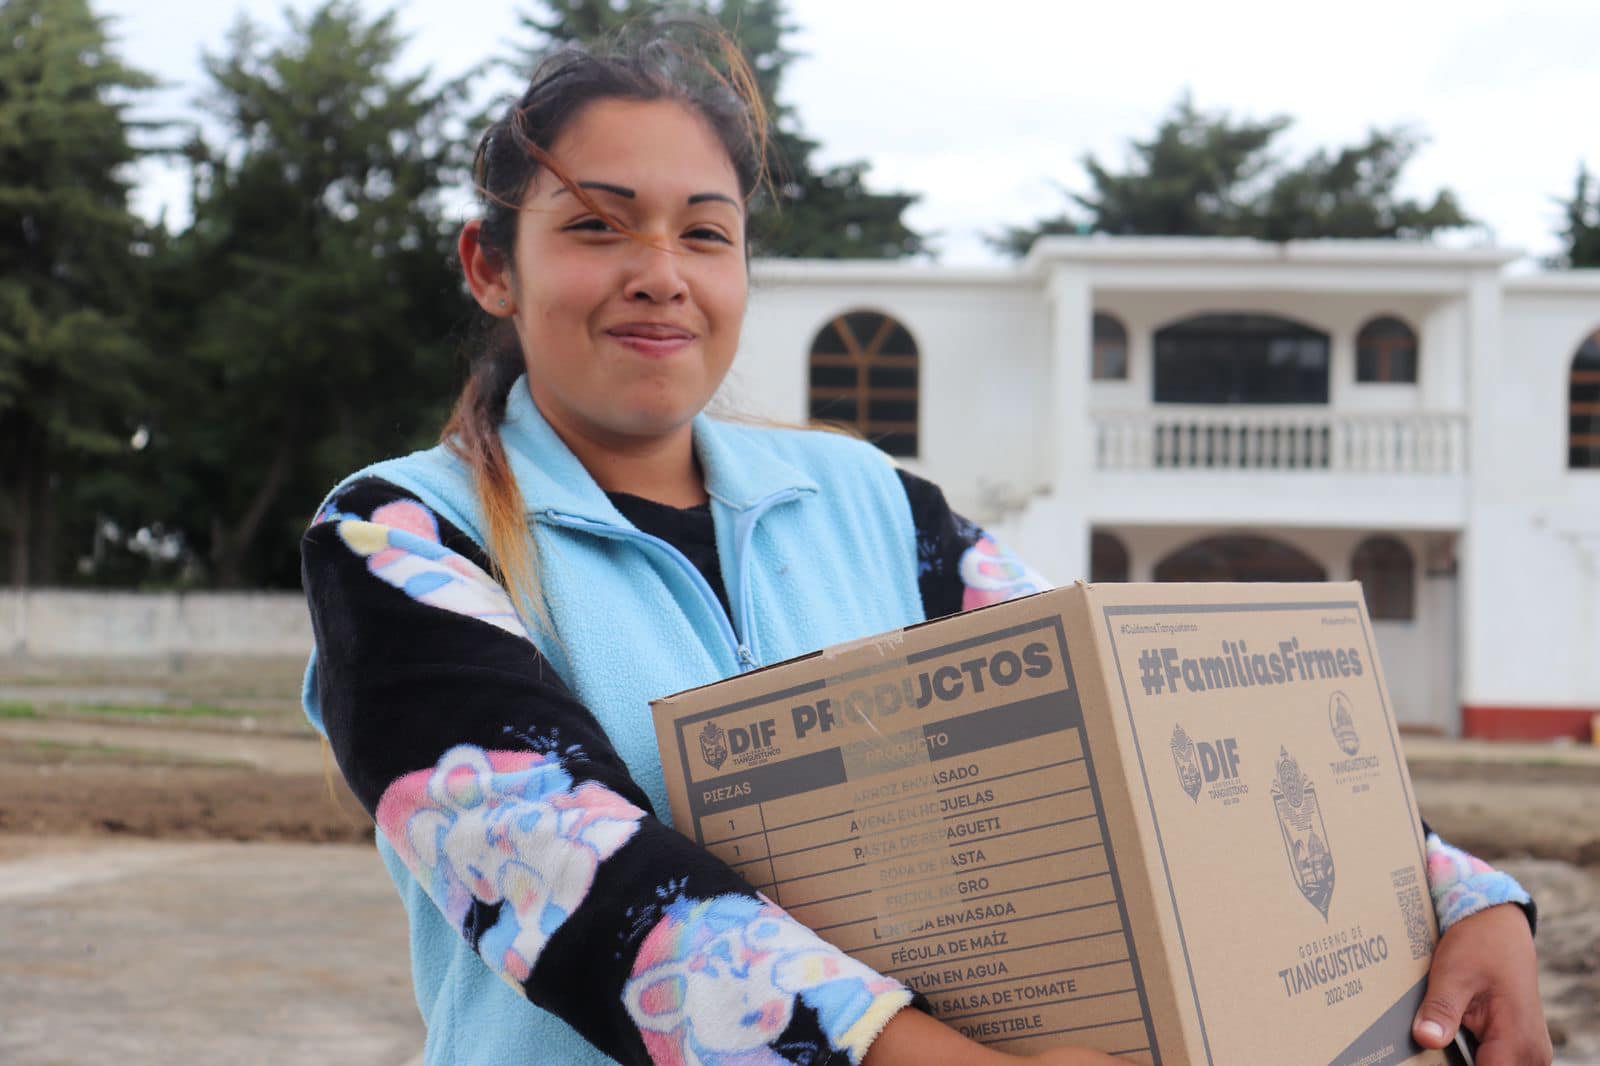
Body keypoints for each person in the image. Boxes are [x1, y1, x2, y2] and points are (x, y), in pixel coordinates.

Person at [299, 24, 1551, 1066]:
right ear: (490, 267)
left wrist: (1462, 893)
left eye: (704, 232)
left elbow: (1132, 730)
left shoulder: (876, 507)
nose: (659, 273)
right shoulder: (403, 535)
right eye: (597, 226)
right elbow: (573, 879)